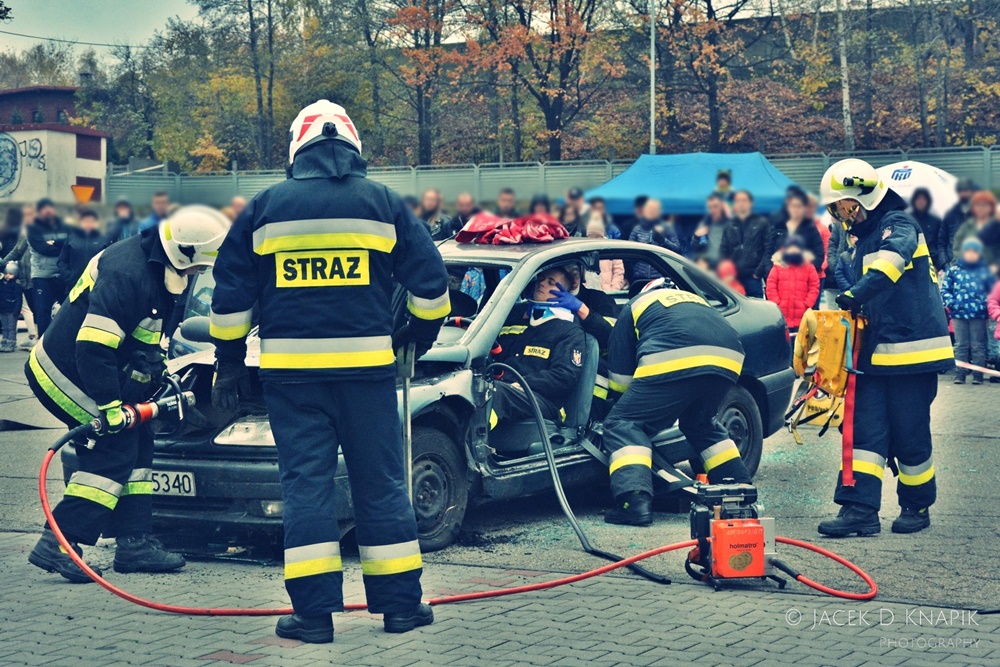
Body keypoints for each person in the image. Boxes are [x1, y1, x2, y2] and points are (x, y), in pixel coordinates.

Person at [209, 100, 449, 644]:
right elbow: (432, 284)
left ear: (297, 149)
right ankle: (401, 608)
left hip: (292, 380)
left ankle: (313, 617)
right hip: (367, 376)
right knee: (381, 484)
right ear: (353, 146)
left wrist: (229, 361)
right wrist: (418, 332)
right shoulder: (383, 202)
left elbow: (231, 296)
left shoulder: (264, 207)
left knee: (306, 487)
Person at [25, 205, 228, 583]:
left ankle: (134, 543)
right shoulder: (127, 273)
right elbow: (93, 348)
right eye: (199, 266)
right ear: (184, 254)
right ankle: (59, 543)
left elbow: (142, 336)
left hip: (95, 370)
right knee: (114, 452)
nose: (199, 273)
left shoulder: (155, 263)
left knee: (139, 442)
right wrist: (110, 407)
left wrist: (156, 376)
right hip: (66, 373)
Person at [819, 158, 952, 537]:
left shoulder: (899, 224)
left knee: (910, 433)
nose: (842, 216)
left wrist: (854, 295)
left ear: (864, 199)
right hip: (875, 353)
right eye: (836, 210)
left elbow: (891, 264)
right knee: (865, 432)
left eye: (844, 207)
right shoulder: (865, 237)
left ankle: (916, 505)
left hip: (912, 353)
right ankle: (858, 509)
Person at [603, 280, 752, 526]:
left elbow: (620, 375)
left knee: (623, 424)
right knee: (701, 425)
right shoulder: (694, 300)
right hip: (729, 360)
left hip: (676, 356)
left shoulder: (635, 305)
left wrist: (625, 408)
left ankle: (634, 502)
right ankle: (739, 490)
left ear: (644, 290)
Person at [490, 267, 585, 427]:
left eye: (551, 282)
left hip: (542, 400)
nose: (542, 283)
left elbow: (564, 376)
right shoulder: (515, 320)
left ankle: (472, 441)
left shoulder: (569, 331)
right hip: (506, 389)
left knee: (494, 393)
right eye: (541, 278)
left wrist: (522, 383)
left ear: (565, 293)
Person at [941, 238, 995, 385]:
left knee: (978, 346)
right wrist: (952, 303)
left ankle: (978, 375)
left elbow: (992, 291)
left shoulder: (985, 272)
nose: (971, 254)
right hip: (958, 314)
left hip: (978, 314)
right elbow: (945, 289)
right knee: (960, 345)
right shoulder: (954, 271)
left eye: (974, 252)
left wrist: (985, 306)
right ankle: (960, 374)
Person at [546, 262, 620, 349]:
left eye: (575, 273)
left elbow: (616, 337)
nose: (574, 280)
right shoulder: (541, 300)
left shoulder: (600, 299)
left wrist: (582, 309)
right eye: (567, 276)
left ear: (581, 274)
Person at [28, 198, 71, 337]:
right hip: (43, 276)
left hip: (62, 274)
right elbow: (43, 248)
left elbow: (70, 244)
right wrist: (61, 247)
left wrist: (55, 244)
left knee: (68, 311)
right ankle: (43, 342)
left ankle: (64, 341)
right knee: (42, 313)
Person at [766, 237, 820, 343]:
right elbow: (771, 286)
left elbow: (814, 286)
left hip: (801, 314)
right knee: (784, 343)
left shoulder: (808, 267)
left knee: (800, 344)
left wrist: (807, 303)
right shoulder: (778, 266)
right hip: (782, 314)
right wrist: (777, 303)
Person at [719, 190, 769, 298]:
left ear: (751, 203)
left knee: (756, 306)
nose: (741, 203)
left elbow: (768, 250)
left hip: (753, 277)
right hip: (733, 278)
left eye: (744, 200)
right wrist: (725, 272)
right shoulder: (729, 224)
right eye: (738, 200)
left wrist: (758, 272)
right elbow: (723, 250)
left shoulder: (761, 223)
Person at [765, 187, 824, 277]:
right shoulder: (778, 226)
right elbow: (768, 252)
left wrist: (808, 272)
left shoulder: (810, 228)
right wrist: (771, 271)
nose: (795, 209)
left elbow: (819, 254)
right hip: (779, 277)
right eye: (793, 206)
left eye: (799, 206)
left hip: (803, 278)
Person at [3, 204, 36, 347]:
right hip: (23, 277)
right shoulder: (24, 232)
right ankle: (34, 336)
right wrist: (3, 264)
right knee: (29, 308)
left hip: (37, 276)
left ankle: (36, 337)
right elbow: (17, 251)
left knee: (34, 309)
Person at [629, 199, 680, 282]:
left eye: (654, 209)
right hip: (640, 276)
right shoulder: (637, 229)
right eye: (649, 209)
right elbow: (629, 253)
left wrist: (663, 240)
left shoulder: (667, 228)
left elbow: (677, 250)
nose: (651, 212)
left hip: (661, 276)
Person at [58, 209, 107, 295]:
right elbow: (62, 261)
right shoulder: (71, 239)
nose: (88, 224)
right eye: (85, 221)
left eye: (91, 221)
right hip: (74, 286)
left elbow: (108, 261)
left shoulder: (104, 240)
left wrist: (102, 279)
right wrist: (68, 277)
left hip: (96, 286)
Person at [951, 190, 998, 266]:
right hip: (967, 268)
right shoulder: (966, 226)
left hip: (991, 269)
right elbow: (957, 247)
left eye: (984, 205)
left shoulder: (996, 226)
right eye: (977, 205)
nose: (981, 208)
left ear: (991, 207)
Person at [939, 178, 977, 267]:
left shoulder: (980, 213)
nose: (963, 194)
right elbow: (941, 242)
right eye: (960, 191)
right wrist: (944, 264)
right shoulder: (950, 214)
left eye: (966, 190)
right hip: (954, 265)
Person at [585, 219, 626, 292]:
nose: (594, 239)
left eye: (597, 236)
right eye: (591, 236)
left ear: (602, 236)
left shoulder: (611, 249)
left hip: (607, 293)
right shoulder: (584, 250)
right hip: (588, 293)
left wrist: (613, 290)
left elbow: (618, 271)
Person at [691, 194, 730, 263]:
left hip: (724, 265)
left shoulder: (730, 224)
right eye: (710, 207)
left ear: (722, 206)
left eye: (715, 206)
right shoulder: (704, 223)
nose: (713, 210)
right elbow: (694, 248)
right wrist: (696, 237)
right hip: (706, 265)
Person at [909, 188, 943, 265]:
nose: (921, 202)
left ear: (928, 201)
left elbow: (941, 244)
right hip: (914, 262)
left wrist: (939, 264)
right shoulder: (907, 220)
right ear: (914, 200)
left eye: (923, 199)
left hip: (933, 261)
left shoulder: (936, 221)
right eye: (918, 199)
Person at [808, 193, 830, 307]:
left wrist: (821, 266)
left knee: (814, 307)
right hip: (799, 275)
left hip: (818, 274)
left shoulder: (823, 229)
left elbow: (828, 250)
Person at [0, 261, 21, 352]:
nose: (8, 275)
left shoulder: (16, 285)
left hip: (12, 309)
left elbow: (19, 298)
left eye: (11, 274)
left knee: (11, 327)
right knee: (4, 327)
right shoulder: (2, 284)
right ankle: (4, 342)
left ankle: (11, 343)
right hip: (3, 309)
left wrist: (17, 309)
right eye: (6, 274)